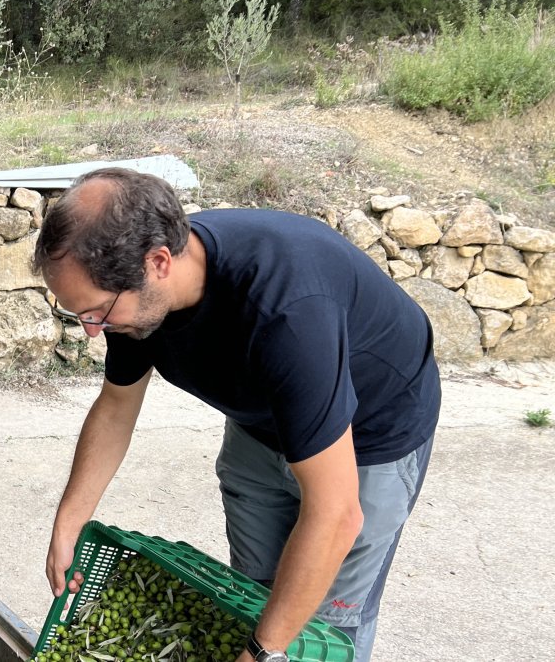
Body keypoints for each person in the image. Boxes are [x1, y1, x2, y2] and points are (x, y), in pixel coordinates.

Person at [32, 167, 439, 662]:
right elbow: (117, 406)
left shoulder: (286, 314)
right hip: (261, 425)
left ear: (158, 262)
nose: (93, 331)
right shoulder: (136, 298)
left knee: (321, 629)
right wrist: (69, 522)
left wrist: (263, 652)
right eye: (80, 315)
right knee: (252, 594)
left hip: (372, 436)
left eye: (96, 311)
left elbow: (337, 513)